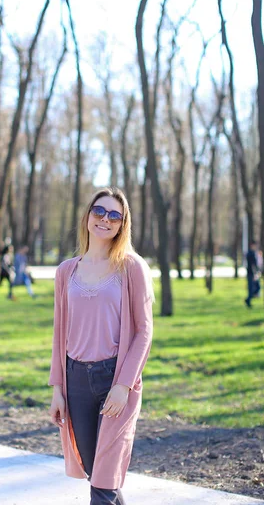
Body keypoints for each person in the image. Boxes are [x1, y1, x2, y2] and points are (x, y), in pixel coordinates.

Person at [49, 187, 154, 505]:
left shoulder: (132, 267)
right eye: (99, 211)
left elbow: (144, 331)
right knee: (99, 476)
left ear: (122, 224)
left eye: (114, 215)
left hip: (115, 380)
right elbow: (58, 334)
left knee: (104, 484)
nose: (105, 219)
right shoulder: (66, 271)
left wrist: (124, 386)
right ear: (87, 216)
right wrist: (57, 388)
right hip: (76, 380)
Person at [245, 240, 259, 308]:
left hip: (251, 273)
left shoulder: (251, 253)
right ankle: (248, 300)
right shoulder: (251, 253)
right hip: (251, 273)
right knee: (251, 288)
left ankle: (249, 299)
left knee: (256, 287)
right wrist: (255, 273)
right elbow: (252, 265)